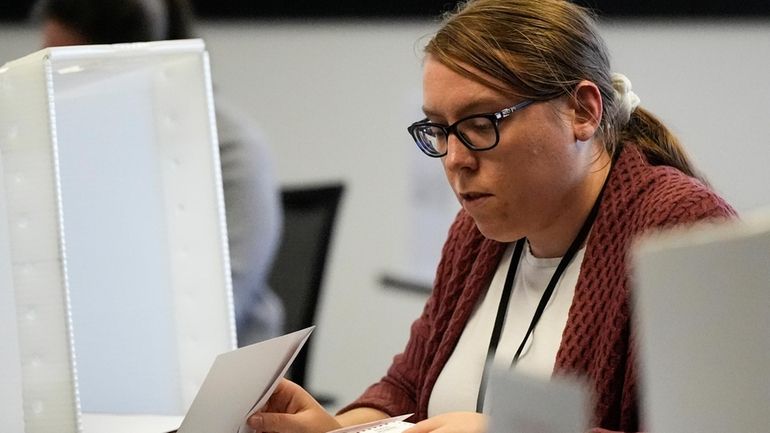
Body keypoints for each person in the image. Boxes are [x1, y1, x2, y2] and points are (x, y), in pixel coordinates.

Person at [245, 0, 738, 432]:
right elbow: (409, 388)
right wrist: (336, 429)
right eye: (438, 130)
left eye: (481, 124)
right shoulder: (476, 234)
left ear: (583, 111)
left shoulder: (682, 231)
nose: (455, 158)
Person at [33, 0, 285, 346]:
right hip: (92, 359)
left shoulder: (229, 149)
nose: (52, 90)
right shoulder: (58, 144)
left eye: (66, 72)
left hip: (216, 381)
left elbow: (213, 313)